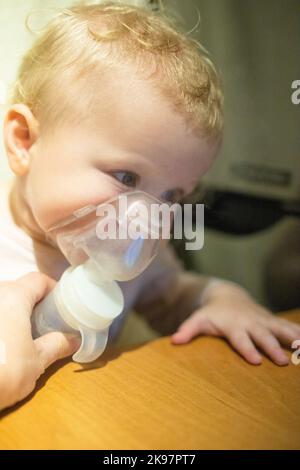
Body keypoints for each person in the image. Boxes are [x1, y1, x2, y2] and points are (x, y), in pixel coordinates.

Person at [1, 1, 299, 410]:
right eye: (126, 177)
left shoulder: (132, 253)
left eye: (171, 196)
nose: (146, 220)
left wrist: (221, 299)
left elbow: (173, 292)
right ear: (25, 141)